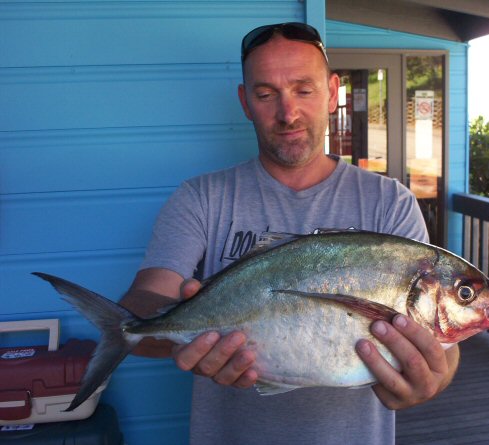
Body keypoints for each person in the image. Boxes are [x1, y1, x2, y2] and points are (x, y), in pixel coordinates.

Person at [119, 22, 459, 445]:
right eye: (266, 95)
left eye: (304, 90)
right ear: (245, 102)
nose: (288, 113)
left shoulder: (390, 202)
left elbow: (444, 351)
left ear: (333, 93)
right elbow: (143, 301)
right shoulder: (201, 198)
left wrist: (431, 380)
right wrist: (170, 329)